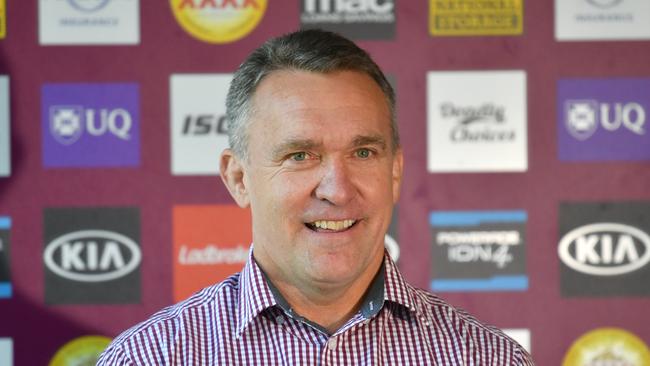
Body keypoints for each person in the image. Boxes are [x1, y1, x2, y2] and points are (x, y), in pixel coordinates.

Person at [97, 29, 535, 365]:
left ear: (395, 171)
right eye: (300, 155)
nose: (337, 189)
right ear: (238, 178)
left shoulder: (486, 357)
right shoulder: (151, 357)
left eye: (363, 153)